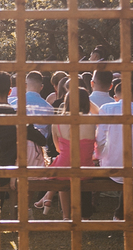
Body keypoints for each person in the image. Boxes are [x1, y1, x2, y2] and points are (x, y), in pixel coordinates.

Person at [94, 79, 133, 219]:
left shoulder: (106, 109)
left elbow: (100, 138)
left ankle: (112, 212)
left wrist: (100, 157)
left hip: (112, 164)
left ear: (115, 97)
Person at [36, 88, 95, 218]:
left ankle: (65, 216)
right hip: (85, 168)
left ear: (67, 102)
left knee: (61, 168)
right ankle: (48, 197)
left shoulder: (57, 122)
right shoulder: (92, 121)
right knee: (64, 167)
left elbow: (58, 148)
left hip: (64, 167)